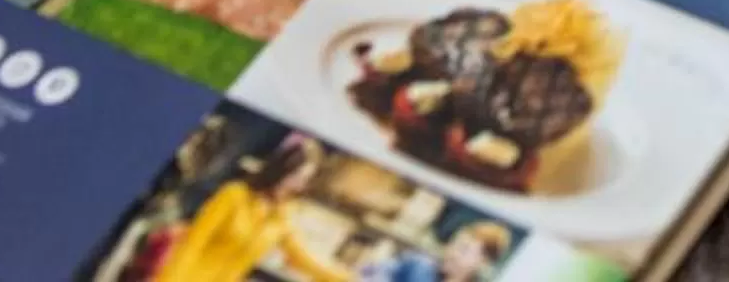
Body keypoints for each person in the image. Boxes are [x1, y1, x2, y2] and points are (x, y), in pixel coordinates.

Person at [151, 134, 354, 282]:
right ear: (280, 172)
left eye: (304, 180)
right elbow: (191, 244)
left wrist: (346, 278)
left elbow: (301, 258)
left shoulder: (281, 216)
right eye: (296, 178)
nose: (298, 186)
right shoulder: (234, 195)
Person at [357, 220, 514, 282]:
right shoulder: (418, 265)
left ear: (482, 261)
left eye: (463, 250)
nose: (452, 253)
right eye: (453, 244)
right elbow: (368, 271)